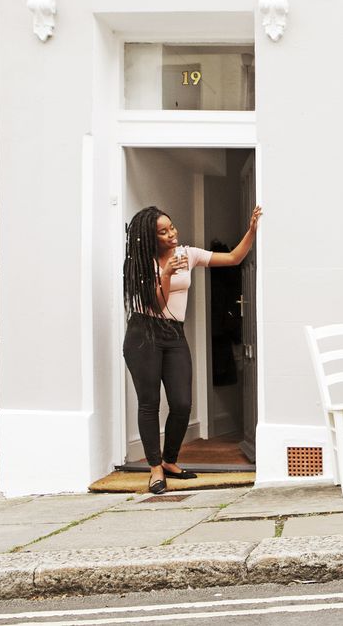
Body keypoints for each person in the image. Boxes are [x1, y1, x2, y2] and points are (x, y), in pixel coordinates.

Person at [123, 204, 262, 494]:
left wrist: (251, 231)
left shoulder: (187, 255)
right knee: (148, 403)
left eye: (171, 227)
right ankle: (155, 469)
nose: (172, 234)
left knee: (183, 402)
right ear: (150, 238)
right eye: (163, 232)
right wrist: (165, 274)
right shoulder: (138, 263)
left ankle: (170, 460)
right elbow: (157, 306)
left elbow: (235, 258)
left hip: (174, 334)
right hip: (144, 333)